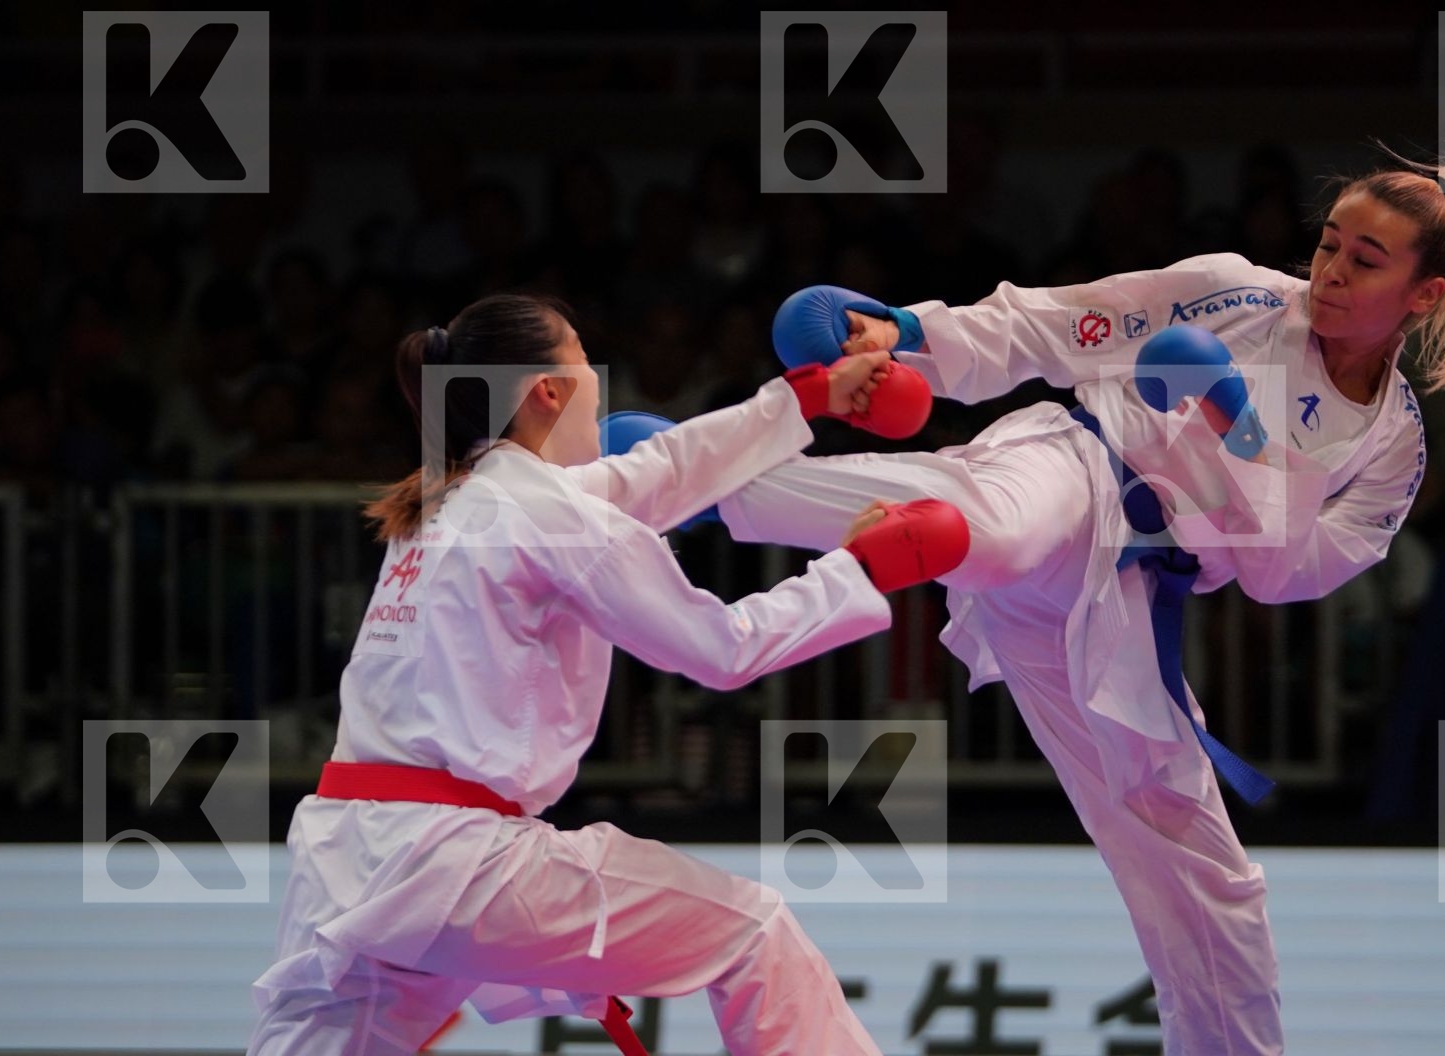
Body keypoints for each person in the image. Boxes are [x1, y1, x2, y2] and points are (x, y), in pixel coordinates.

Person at [717, 158, 1445, 1054]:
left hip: (1126, 601)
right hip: (1075, 467)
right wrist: (902, 331)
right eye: (1328, 245)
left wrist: (1236, 427)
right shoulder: (1233, 294)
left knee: (1208, 878)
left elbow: (1282, 577)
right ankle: (715, 481)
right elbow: (1058, 323)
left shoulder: (1392, 449)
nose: (1329, 271)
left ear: (1425, 294)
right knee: (1002, 531)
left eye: (1366, 261)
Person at [248, 290, 969, 1056]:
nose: (599, 377)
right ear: (549, 391)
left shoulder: (448, 499)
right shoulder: (544, 512)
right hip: (459, 861)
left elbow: (656, 473)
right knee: (754, 932)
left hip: (346, 857)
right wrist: (855, 571)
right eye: (584, 358)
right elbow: (723, 650)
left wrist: (806, 399)